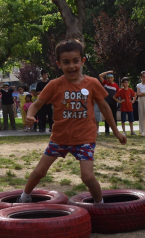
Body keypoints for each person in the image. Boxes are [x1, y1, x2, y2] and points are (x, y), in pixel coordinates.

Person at [17, 39, 126, 204]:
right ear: (58, 64)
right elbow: (36, 104)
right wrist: (31, 115)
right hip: (59, 139)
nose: (71, 66)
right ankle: (23, 197)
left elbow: (104, 107)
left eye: (76, 61)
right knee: (39, 172)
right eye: (66, 62)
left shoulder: (92, 83)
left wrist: (116, 131)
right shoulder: (54, 85)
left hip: (84, 139)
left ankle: (100, 206)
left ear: (82, 61)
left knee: (88, 177)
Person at [98, 71, 119, 136]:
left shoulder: (116, 85)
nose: (110, 79)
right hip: (107, 103)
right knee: (107, 117)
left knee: (114, 118)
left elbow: (118, 93)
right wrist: (108, 72)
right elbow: (100, 75)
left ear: (113, 78)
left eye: (111, 78)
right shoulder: (105, 84)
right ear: (107, 79)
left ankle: (115, 132)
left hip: (114, 103)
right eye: (108, 78)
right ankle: (107, 131)